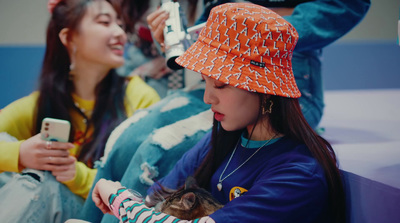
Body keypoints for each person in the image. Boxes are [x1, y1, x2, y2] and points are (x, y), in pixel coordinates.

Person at [90, 3, 346, 222]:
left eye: (221, 85)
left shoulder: (298, 174)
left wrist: (116, 196)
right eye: (205, 82)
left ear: (266, 90)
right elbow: (152, 203)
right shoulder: (218, 141)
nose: (207, 97)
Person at [0, 0, 159, 222]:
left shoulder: (139, 97)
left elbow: (144, 185)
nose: (120, 33)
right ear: (69, 37)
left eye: (120, 24)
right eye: (105, 22)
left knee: (42, 182)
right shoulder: (42, 102)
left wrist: (77, 175)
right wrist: (21, 154)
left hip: (101, 214)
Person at [147, 0, 371, 129]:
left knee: (159, 147)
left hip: (287, 81)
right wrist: (179, 40)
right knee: (137, 135)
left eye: (221, 84)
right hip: (218, 72)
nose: (208, 98)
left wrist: (265, 35)